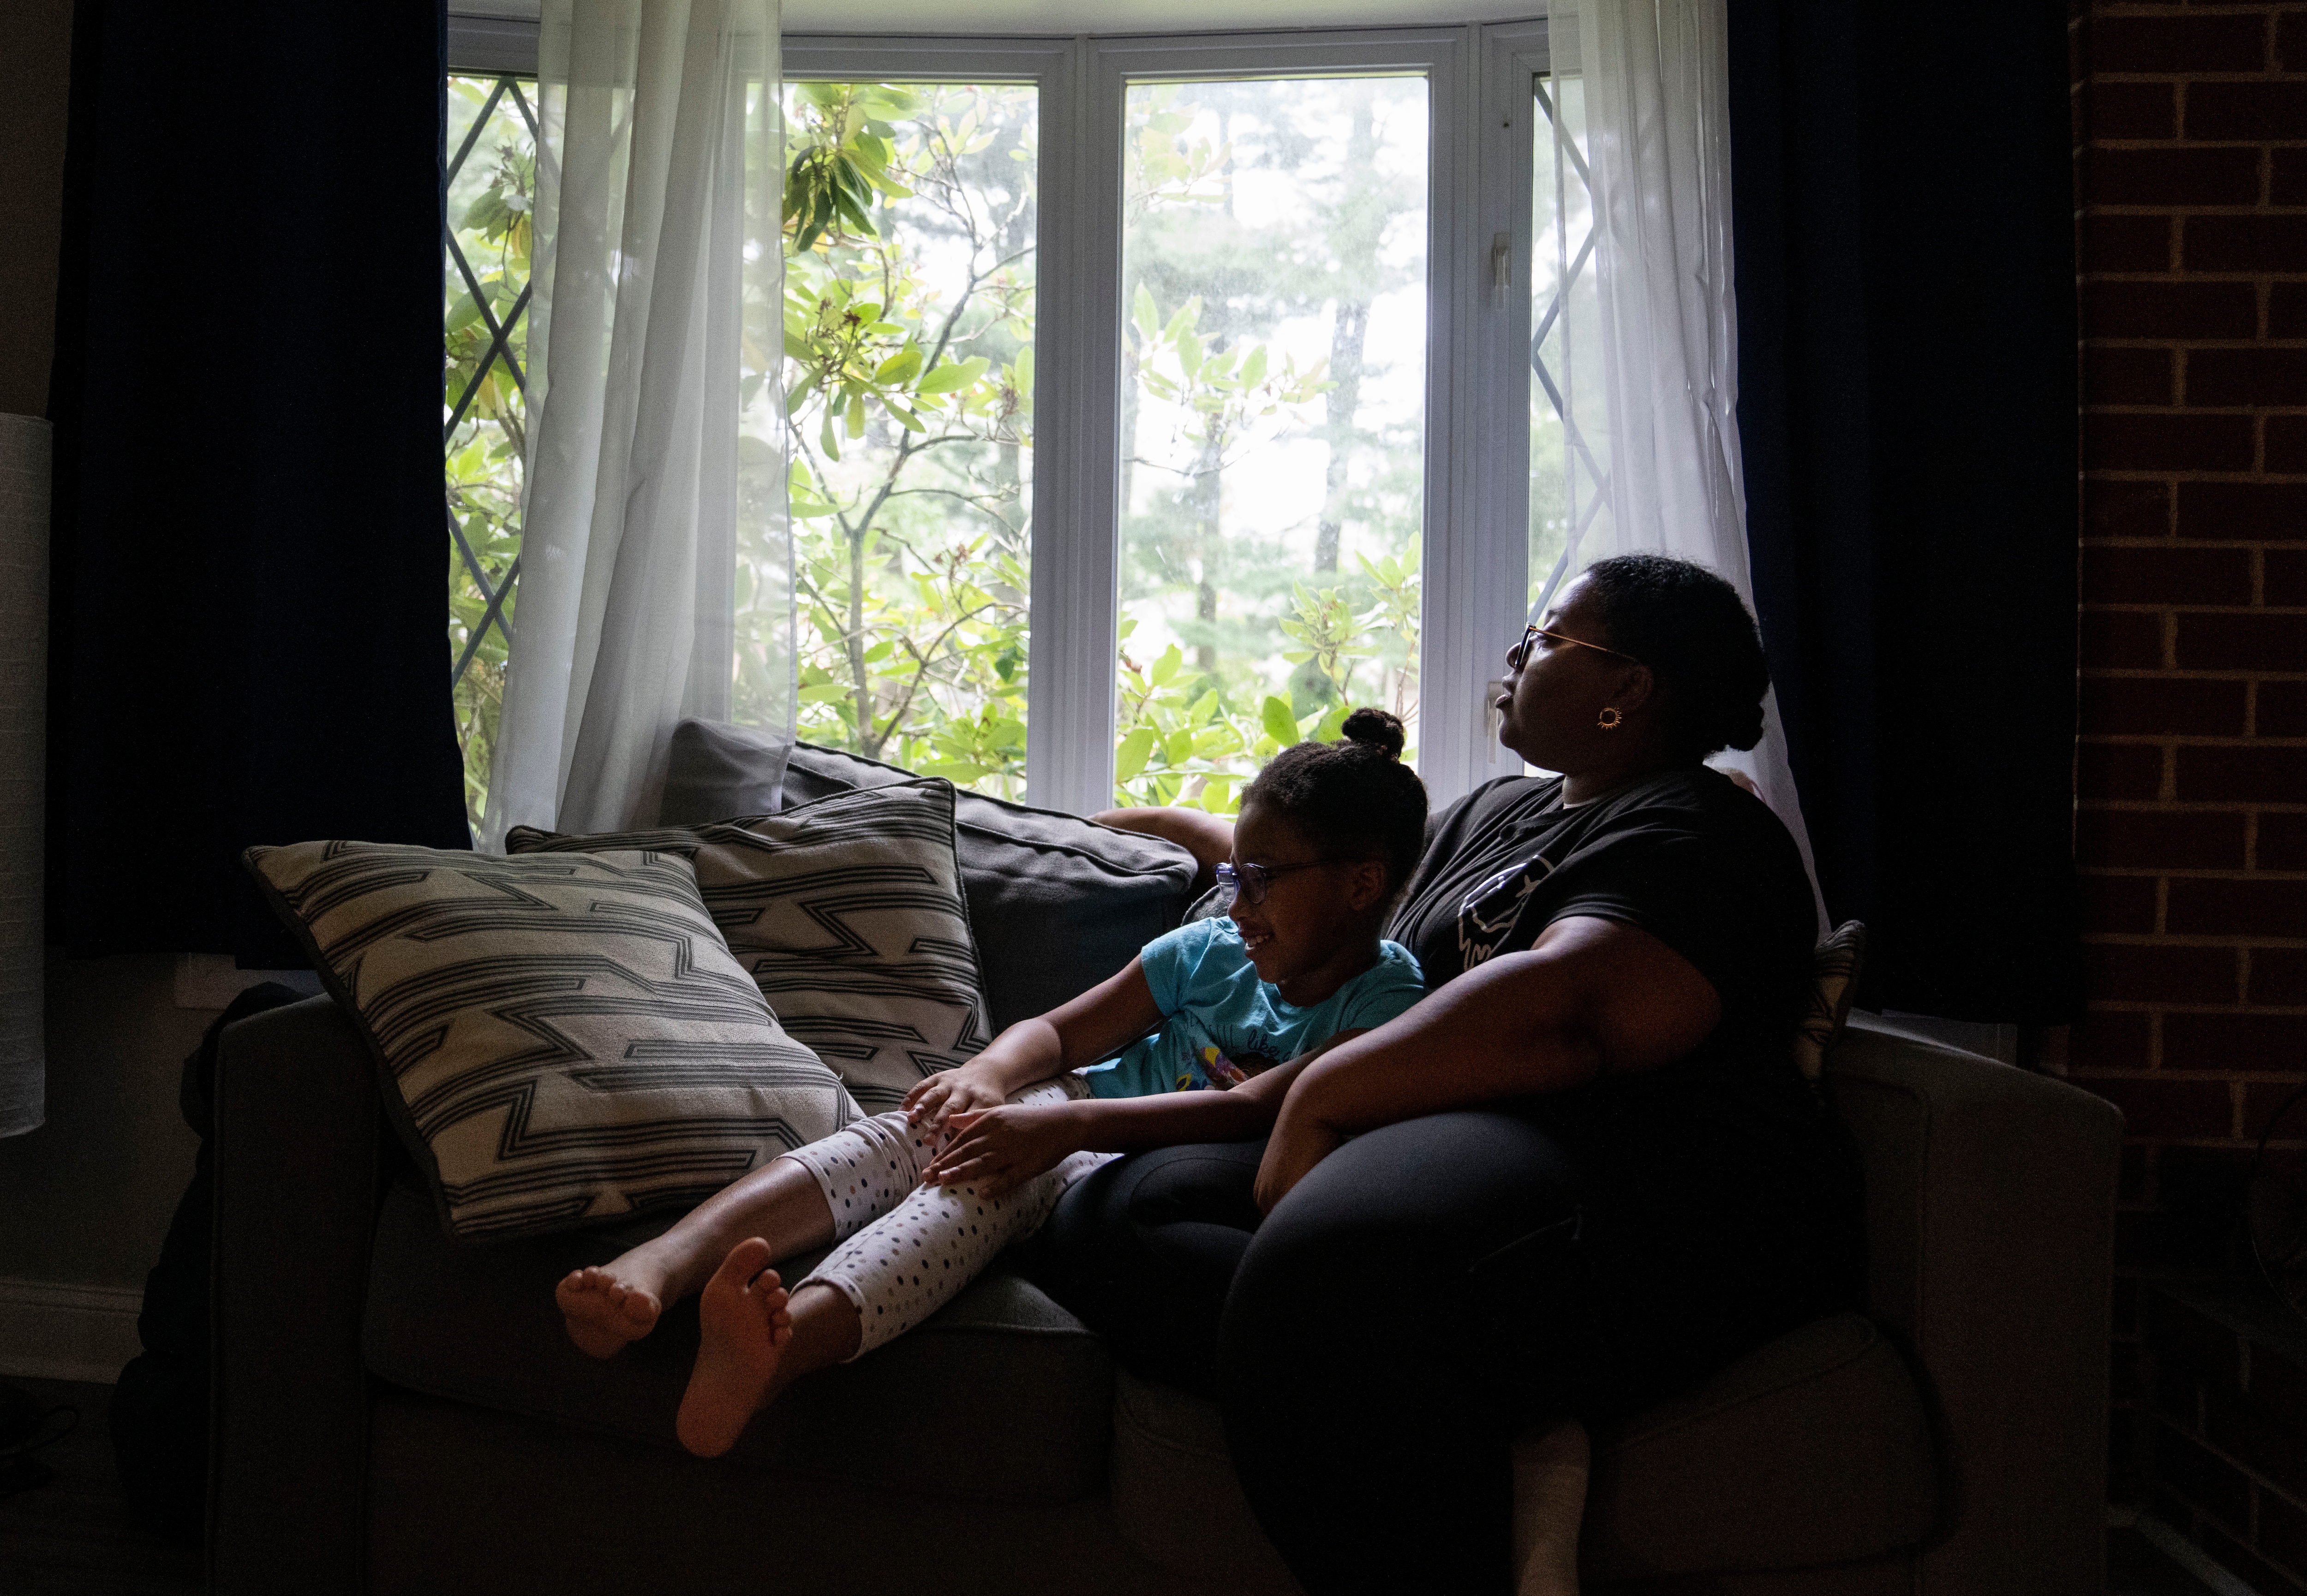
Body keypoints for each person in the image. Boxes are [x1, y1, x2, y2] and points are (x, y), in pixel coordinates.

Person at [1044, 553, 1866, 1596]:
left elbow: (1571, 1009)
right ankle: (1483, 1412)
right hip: (1442, 1160)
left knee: (1321, 1272)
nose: (1516, 656)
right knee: (1113, 1216)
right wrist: (1185, 834)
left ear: (1628, 689)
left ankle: (1417, 1408)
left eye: (1550, 639)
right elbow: (1354, 890)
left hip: (1624, 1185)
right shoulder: (1496, 813)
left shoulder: (1700, 831)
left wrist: (1320, 1094)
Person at [553, 710, 1433, 1459]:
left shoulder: (1391, 998)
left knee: (969, 1187)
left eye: (1264, 880)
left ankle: (778, 1360)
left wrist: (1062, 1130)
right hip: (1076, 1111)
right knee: (905, 1133)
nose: (1237, 902)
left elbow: (1253, 1106)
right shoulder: (1210, 950)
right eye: (1236, 874)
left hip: (1139, 1166)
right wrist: (984, 1077)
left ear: (1362, 884)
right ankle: (660, 1265)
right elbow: (1056, 1033)